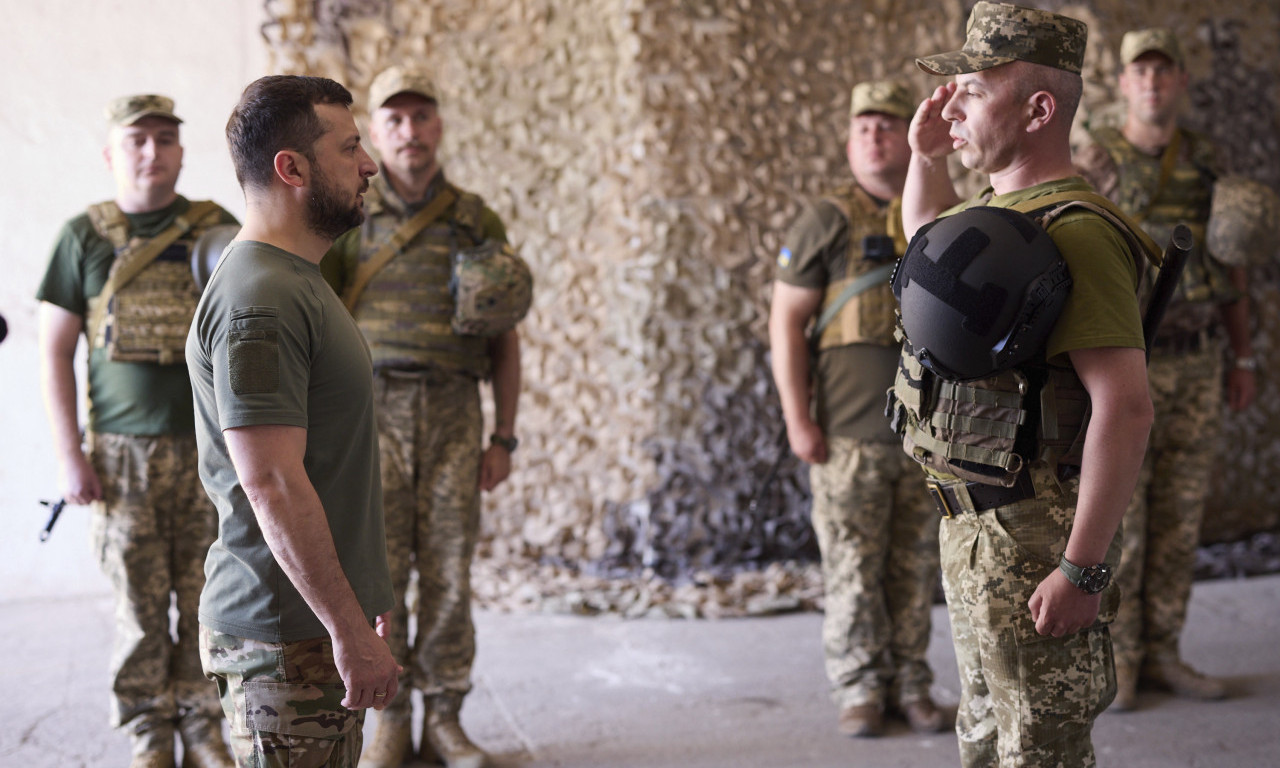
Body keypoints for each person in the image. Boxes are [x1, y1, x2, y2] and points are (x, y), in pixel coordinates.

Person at [890, 3, 1157, 764]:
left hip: (1036, 536)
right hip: (974, 529)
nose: (953, 107)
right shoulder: (1000, 210)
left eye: (972, 92)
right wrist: (927, 156)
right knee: (983, 734)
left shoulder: (1079, 232)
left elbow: (1127, 407)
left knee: (1040, 746)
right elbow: (929, 260)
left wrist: (1084, 568)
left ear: (1040, 109)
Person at [186, 75, 398, 768]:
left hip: (310, 628)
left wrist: (362, 596)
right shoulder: (263, 297)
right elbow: (272, 482)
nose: (368, 164)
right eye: (351, 148)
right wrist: (346, 627)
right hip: (283, 640)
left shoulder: (297, 277)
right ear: (292, 167)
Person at [321, 64, 523, 768]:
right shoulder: (351, 217)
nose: (409, 132)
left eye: (421, 117)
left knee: (448, 571)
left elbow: (505, 338)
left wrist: (503, 435)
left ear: (438, 126)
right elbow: (319, 327)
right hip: (372, 418)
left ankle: (445, 719)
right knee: (377, 574)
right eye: (394, 120)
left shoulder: (474, 220)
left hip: (454, 414)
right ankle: (390, 721)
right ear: (376, 132)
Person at [36, 94, 238, 768]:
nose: (152, 152)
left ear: (181, 151)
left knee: (209, 597)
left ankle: (204, 724)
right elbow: (53, 351)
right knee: (139, 607)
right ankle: (149, 733)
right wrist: (72, 457)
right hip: (121, 459)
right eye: (137, 140)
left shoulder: (219, 230)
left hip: (209, 453)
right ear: (111, 154)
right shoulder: (83, 237)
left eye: (165, 138)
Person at [1074, 27, 1256, 711]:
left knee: (1180, 518)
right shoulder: (1095, 160)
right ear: (1122, 84)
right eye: (1139, 72)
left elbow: (1232, 262)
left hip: (1201, 359)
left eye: (1164, 71)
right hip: (1128, 366)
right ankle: (1119, 660)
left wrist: (1242, 356)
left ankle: (1166, 654)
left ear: (1181, 81)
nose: (1151, 83)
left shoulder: (1207, 161)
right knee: (1122, 517)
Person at [767, 79, 945, 739]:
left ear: (911, 138)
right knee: (851, 566)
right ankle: (860, 688)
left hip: (927, 436)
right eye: (863, 125)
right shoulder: (826, 220)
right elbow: (786, 324)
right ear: (848, 141)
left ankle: (913, 682)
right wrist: (798, 418)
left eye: (888, 125)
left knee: (915, 567)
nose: (875, 135)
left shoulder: (937, 212)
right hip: (847, 435)